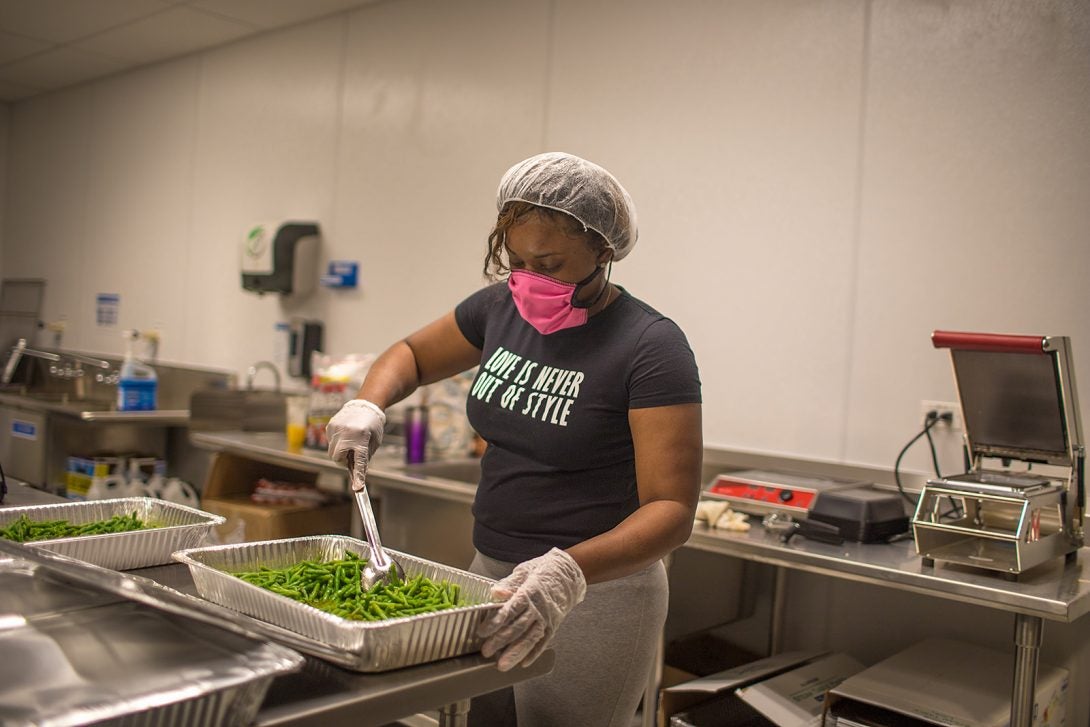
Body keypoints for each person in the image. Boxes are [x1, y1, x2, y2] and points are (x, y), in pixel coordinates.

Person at [326, 151, 702, 726]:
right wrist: (367, 403)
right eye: (518, 261)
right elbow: (412, 354)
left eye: (550, 263)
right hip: (492, 571)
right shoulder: (499, 309)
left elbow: (671, 509)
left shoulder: (650, 346)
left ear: (604, 249)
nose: (530, 280)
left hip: (594, 593)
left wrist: (566, 573)